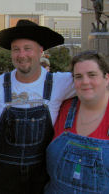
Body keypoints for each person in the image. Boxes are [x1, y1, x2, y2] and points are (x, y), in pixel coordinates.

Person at [0, 19, 75, 194]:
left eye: (27, 48)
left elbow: (95, 81)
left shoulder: (60, 82)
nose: (21, 54)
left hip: (41, 176)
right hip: (2, 176)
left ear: (41, 51)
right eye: (16, 49)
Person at [45, 50, 109, 193]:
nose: (85, 81)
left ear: (106, 78)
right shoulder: (62, 108)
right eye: (78, 76)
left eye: (92, 75)